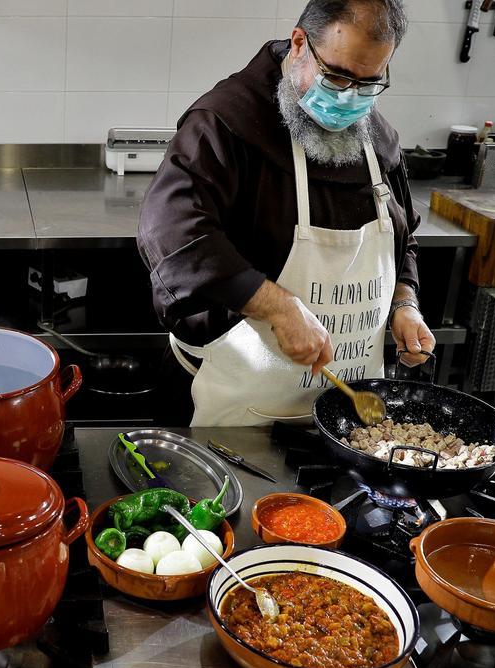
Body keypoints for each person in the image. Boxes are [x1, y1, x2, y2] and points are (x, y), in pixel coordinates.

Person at [138, 0, 434, 427]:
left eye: (369, 83)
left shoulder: (377, 138)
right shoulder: (224, 121)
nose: (350, 97)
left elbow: (404, 238)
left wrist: (404, 303)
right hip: (239, 410)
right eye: (337, 76)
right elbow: (171, 233)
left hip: (347, 415)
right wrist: (277, 307)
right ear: (299, 44)